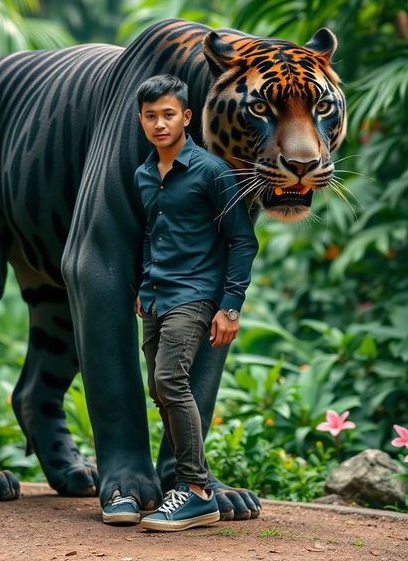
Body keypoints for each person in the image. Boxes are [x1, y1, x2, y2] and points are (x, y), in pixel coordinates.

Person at [101, 74, 258, 530]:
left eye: (168, 114)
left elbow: (242, 241)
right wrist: (143, 284)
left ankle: (195, 490)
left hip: (194, 295)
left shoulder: (213, 172)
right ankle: (193, 487)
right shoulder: (144, 174)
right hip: (154, 296)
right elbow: (153, 231)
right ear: (141, 120)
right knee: (160, 387)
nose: (159, 123)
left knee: (171, 380)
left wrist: (230, 305)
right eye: (150, 116)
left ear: (186, 117)